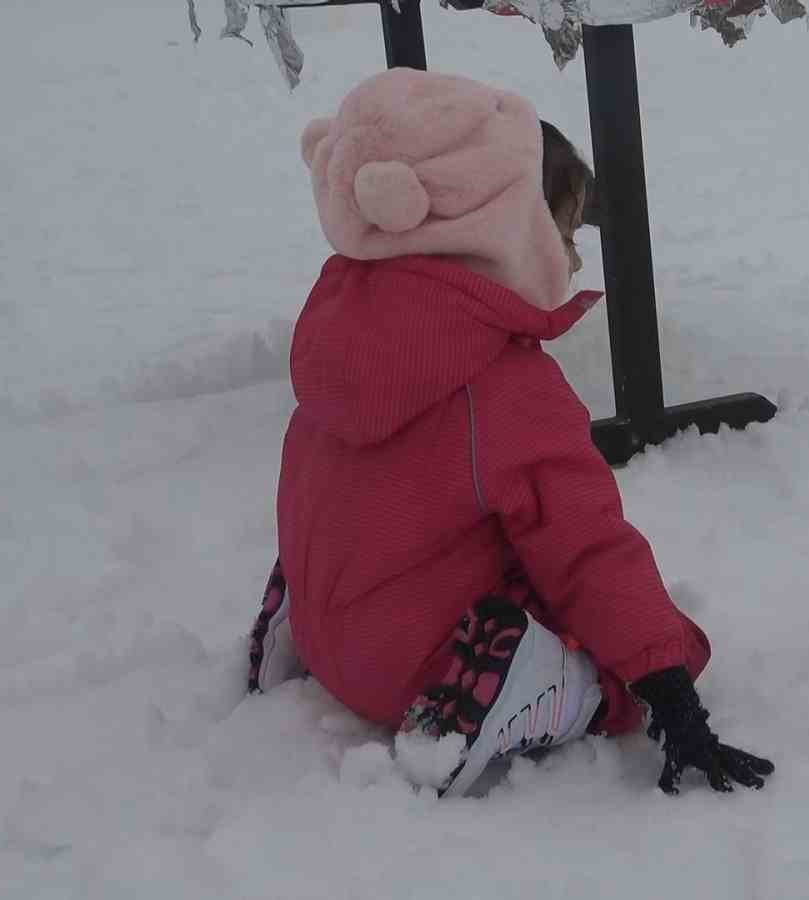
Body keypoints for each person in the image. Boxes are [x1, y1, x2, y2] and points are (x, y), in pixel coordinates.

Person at [246, 69, 773, 799]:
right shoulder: (505, 387)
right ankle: (519, 682)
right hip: (416, 671)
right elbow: (589, 549)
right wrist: (668, 686)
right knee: (601, 655)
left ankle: (297, 621)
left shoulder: (341, 333)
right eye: (561, 232)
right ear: (498, 231)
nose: (574, 257)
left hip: (329, 627)